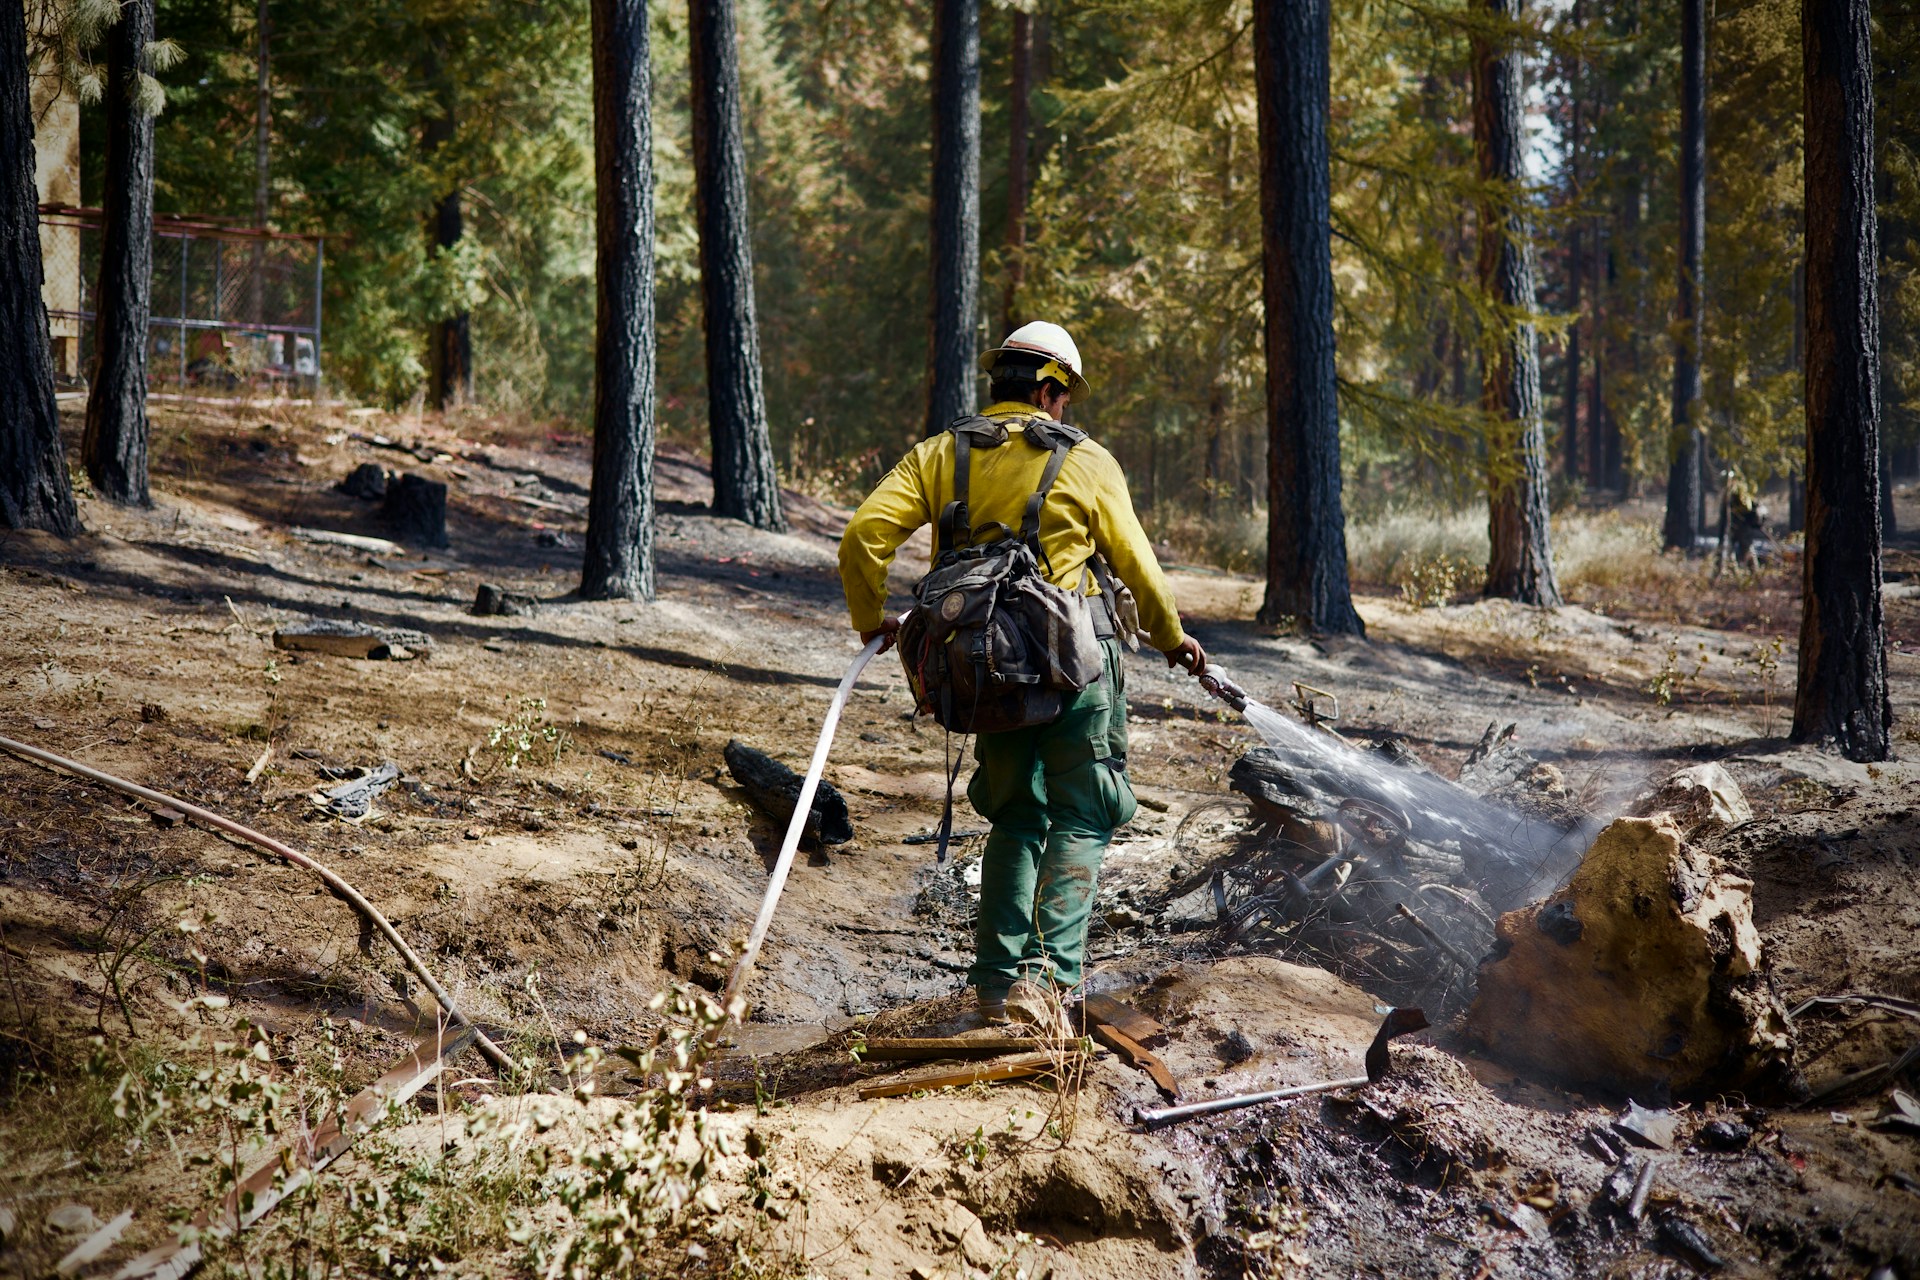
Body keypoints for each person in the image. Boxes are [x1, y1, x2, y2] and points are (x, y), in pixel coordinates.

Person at [838, 321, 1206, 1029]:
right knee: (1085, 809)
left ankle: (994, 992)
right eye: (1063, 399)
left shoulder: (941, 454)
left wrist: (869, 619)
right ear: (1048, 390)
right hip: (1075, 672)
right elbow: (1140, 571)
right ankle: (1047, 984)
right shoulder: (1088, 461)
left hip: (985, 674)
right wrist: (1171, 639)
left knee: (1014, 815)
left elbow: (862, 537)